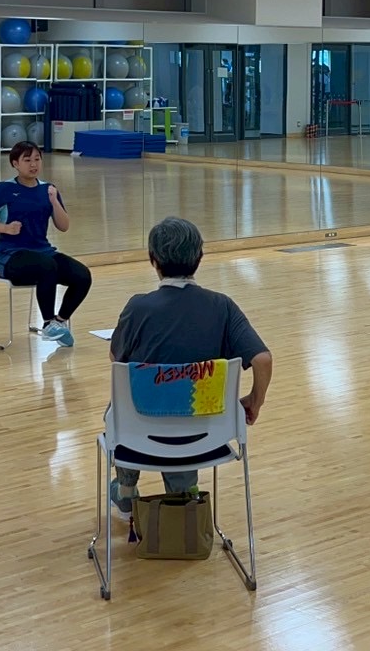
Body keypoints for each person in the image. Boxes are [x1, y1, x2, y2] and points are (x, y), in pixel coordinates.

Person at [107, 216, 272, 521]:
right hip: (206, 435)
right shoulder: (222, 306)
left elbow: (116, 358)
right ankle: (184, 493)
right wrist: (254, 401)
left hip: (139, 435)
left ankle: (127, 490)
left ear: (153, 260)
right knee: (188, 403)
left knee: (127, 400)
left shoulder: (138, 307)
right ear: (199, 257)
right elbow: (262, 359)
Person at [0, 141, 92, 346]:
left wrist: (54, 201)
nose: (33, 164)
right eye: (27, 160)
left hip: (43, 252)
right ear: (15, 164)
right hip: (10, 256)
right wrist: (6, 228)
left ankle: (59, 322)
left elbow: (64, 226)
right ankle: (47, 323)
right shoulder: (5, 189)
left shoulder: (48, 189)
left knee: (82, 275)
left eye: (37, 159)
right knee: (46, 267)